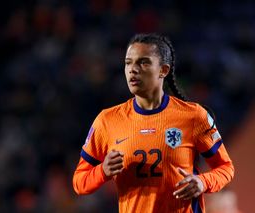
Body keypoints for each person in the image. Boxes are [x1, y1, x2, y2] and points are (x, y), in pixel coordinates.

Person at [72, 33, 234, 213]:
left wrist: (203, 182)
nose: (133, 69)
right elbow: (80, 182)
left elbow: (226, 168)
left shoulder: (194, 116)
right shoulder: (107, 120)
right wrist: (102, 170)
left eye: (143, 62)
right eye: (128, 62)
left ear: (163, 70)